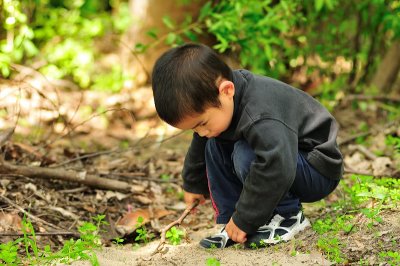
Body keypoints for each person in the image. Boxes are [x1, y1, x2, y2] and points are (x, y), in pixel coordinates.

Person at [151, 43, 343, 248]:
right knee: (213, 143)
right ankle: (233, 222)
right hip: (286, 157)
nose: (201, 133)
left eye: (202, 124)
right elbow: (201, 141)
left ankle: (288, 216)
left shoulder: (261, 114)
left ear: (226, 90)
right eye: (194, 129)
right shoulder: (222, 101)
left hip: (316, 167)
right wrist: (193, 183)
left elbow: (277, 164)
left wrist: (247, 218)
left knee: (246, 152)